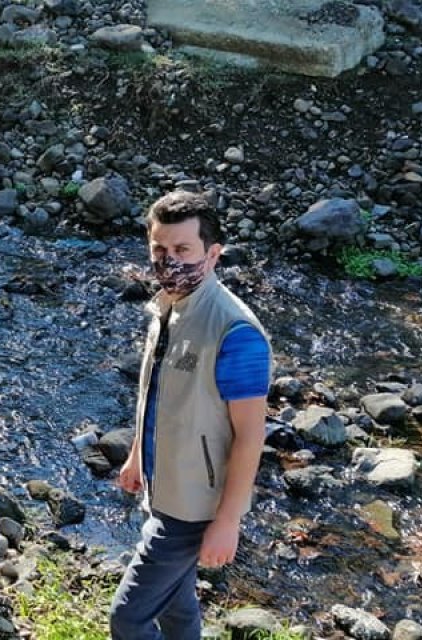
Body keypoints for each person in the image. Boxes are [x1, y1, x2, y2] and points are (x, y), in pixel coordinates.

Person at [109, 191, 271, 639]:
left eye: (183, 250)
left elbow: (251, 435)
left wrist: (227, 521)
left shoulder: (235, 332)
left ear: (212, 254)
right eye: (159, 249)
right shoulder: (168, 307)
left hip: (194, 505)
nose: (169, 261)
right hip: (165, 486)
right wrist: (138, 453)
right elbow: (159, 395)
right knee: (176, 609)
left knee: (128, 618)